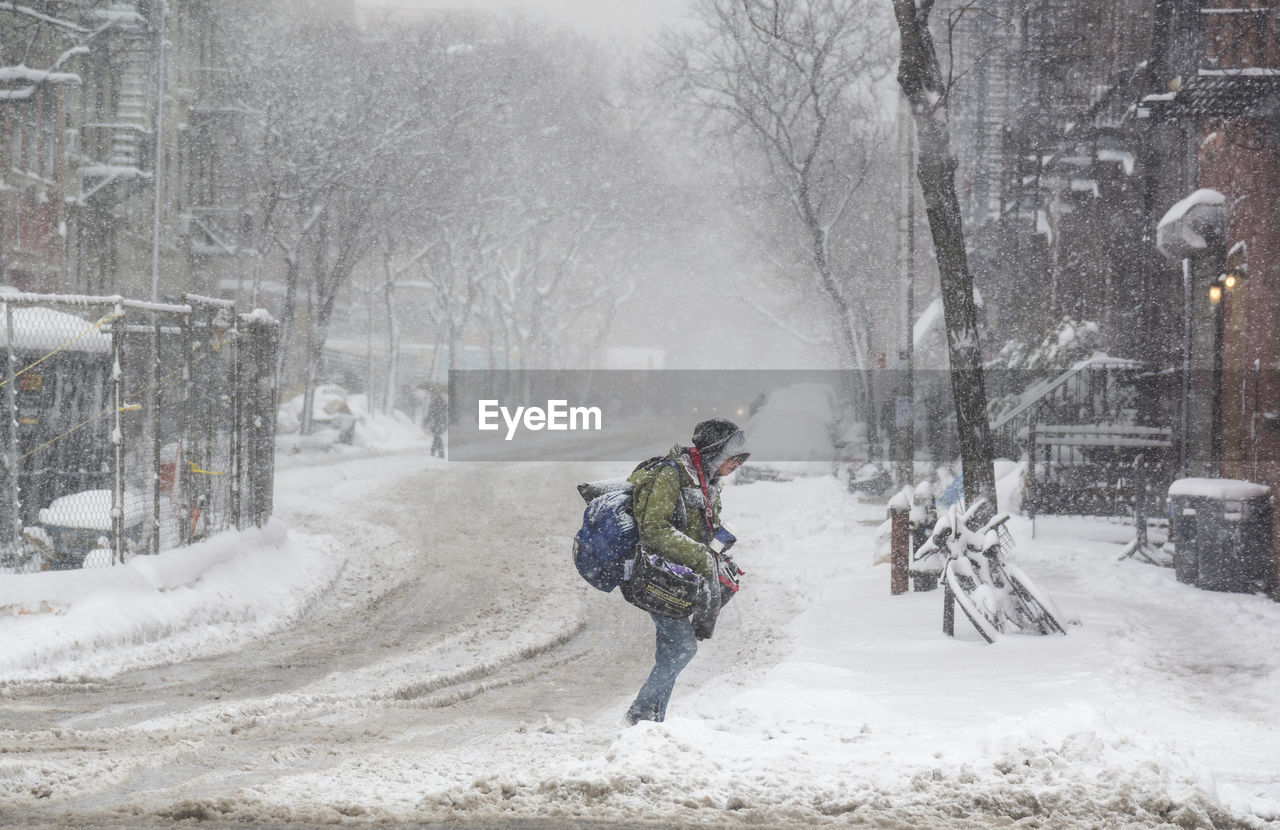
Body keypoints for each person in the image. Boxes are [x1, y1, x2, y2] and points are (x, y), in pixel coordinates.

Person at [623, 418, 749, 725]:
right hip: (657, 575)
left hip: (682, 579)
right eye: (731, 457)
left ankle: (652, 721)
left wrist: (717, 546)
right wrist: (701, 555)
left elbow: (702, 529)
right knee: (682, 647)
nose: (735, 464)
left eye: (738, 459)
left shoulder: (708, 482)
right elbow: (654, 529)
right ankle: (640, 715)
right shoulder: (670, 474)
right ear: (715, 453)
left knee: (670, 651)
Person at [427, 388, 447, 458]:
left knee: (437, 437)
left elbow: (437, 412)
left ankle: (440, 453)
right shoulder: (436, 402)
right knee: (436, 437)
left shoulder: (439, 402)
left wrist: (443, 421)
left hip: (438, 422)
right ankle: (433, 451)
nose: (431, 395)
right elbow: (431, 412)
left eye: (432, 394)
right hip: (436, 421)